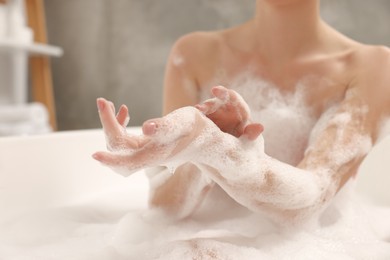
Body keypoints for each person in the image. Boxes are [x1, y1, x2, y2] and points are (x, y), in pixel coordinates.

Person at [93, 0, 390, 226]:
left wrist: (216, 149)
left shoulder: (373, 67)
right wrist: (196, 150)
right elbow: (165, 208)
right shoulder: (195, 54)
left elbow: (308, 201)